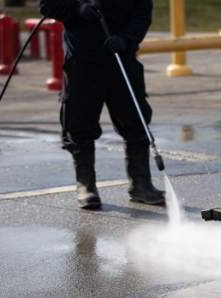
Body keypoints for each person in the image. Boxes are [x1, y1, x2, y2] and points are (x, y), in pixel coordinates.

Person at [39, 0, 165, 209]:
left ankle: (141, 185)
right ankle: (86, 186)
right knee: (79, 125)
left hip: (121, 57)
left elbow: (142, 14)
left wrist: (126, 39)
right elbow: (48, 5)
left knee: (136, 121)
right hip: (83, 61)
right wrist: (77, 10)